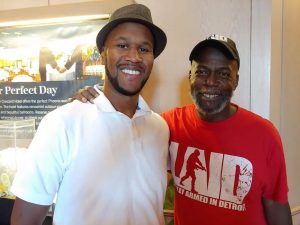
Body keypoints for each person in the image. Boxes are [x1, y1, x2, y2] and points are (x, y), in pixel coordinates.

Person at [73, 34, 293, 225]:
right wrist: (92, 100)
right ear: (190, 77)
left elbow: (277, 209)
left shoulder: (264, 135)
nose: (211, 82)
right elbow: (121, 138)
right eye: (202, 72)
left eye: (224, 74)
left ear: (236, 80)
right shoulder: (167, 126)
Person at [10, 4, 169, 225]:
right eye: (122, 45)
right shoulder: (63, 122)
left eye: (144, 49)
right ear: (103, 53)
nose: (133, 57)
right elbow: (24, 219)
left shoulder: (160, 128)